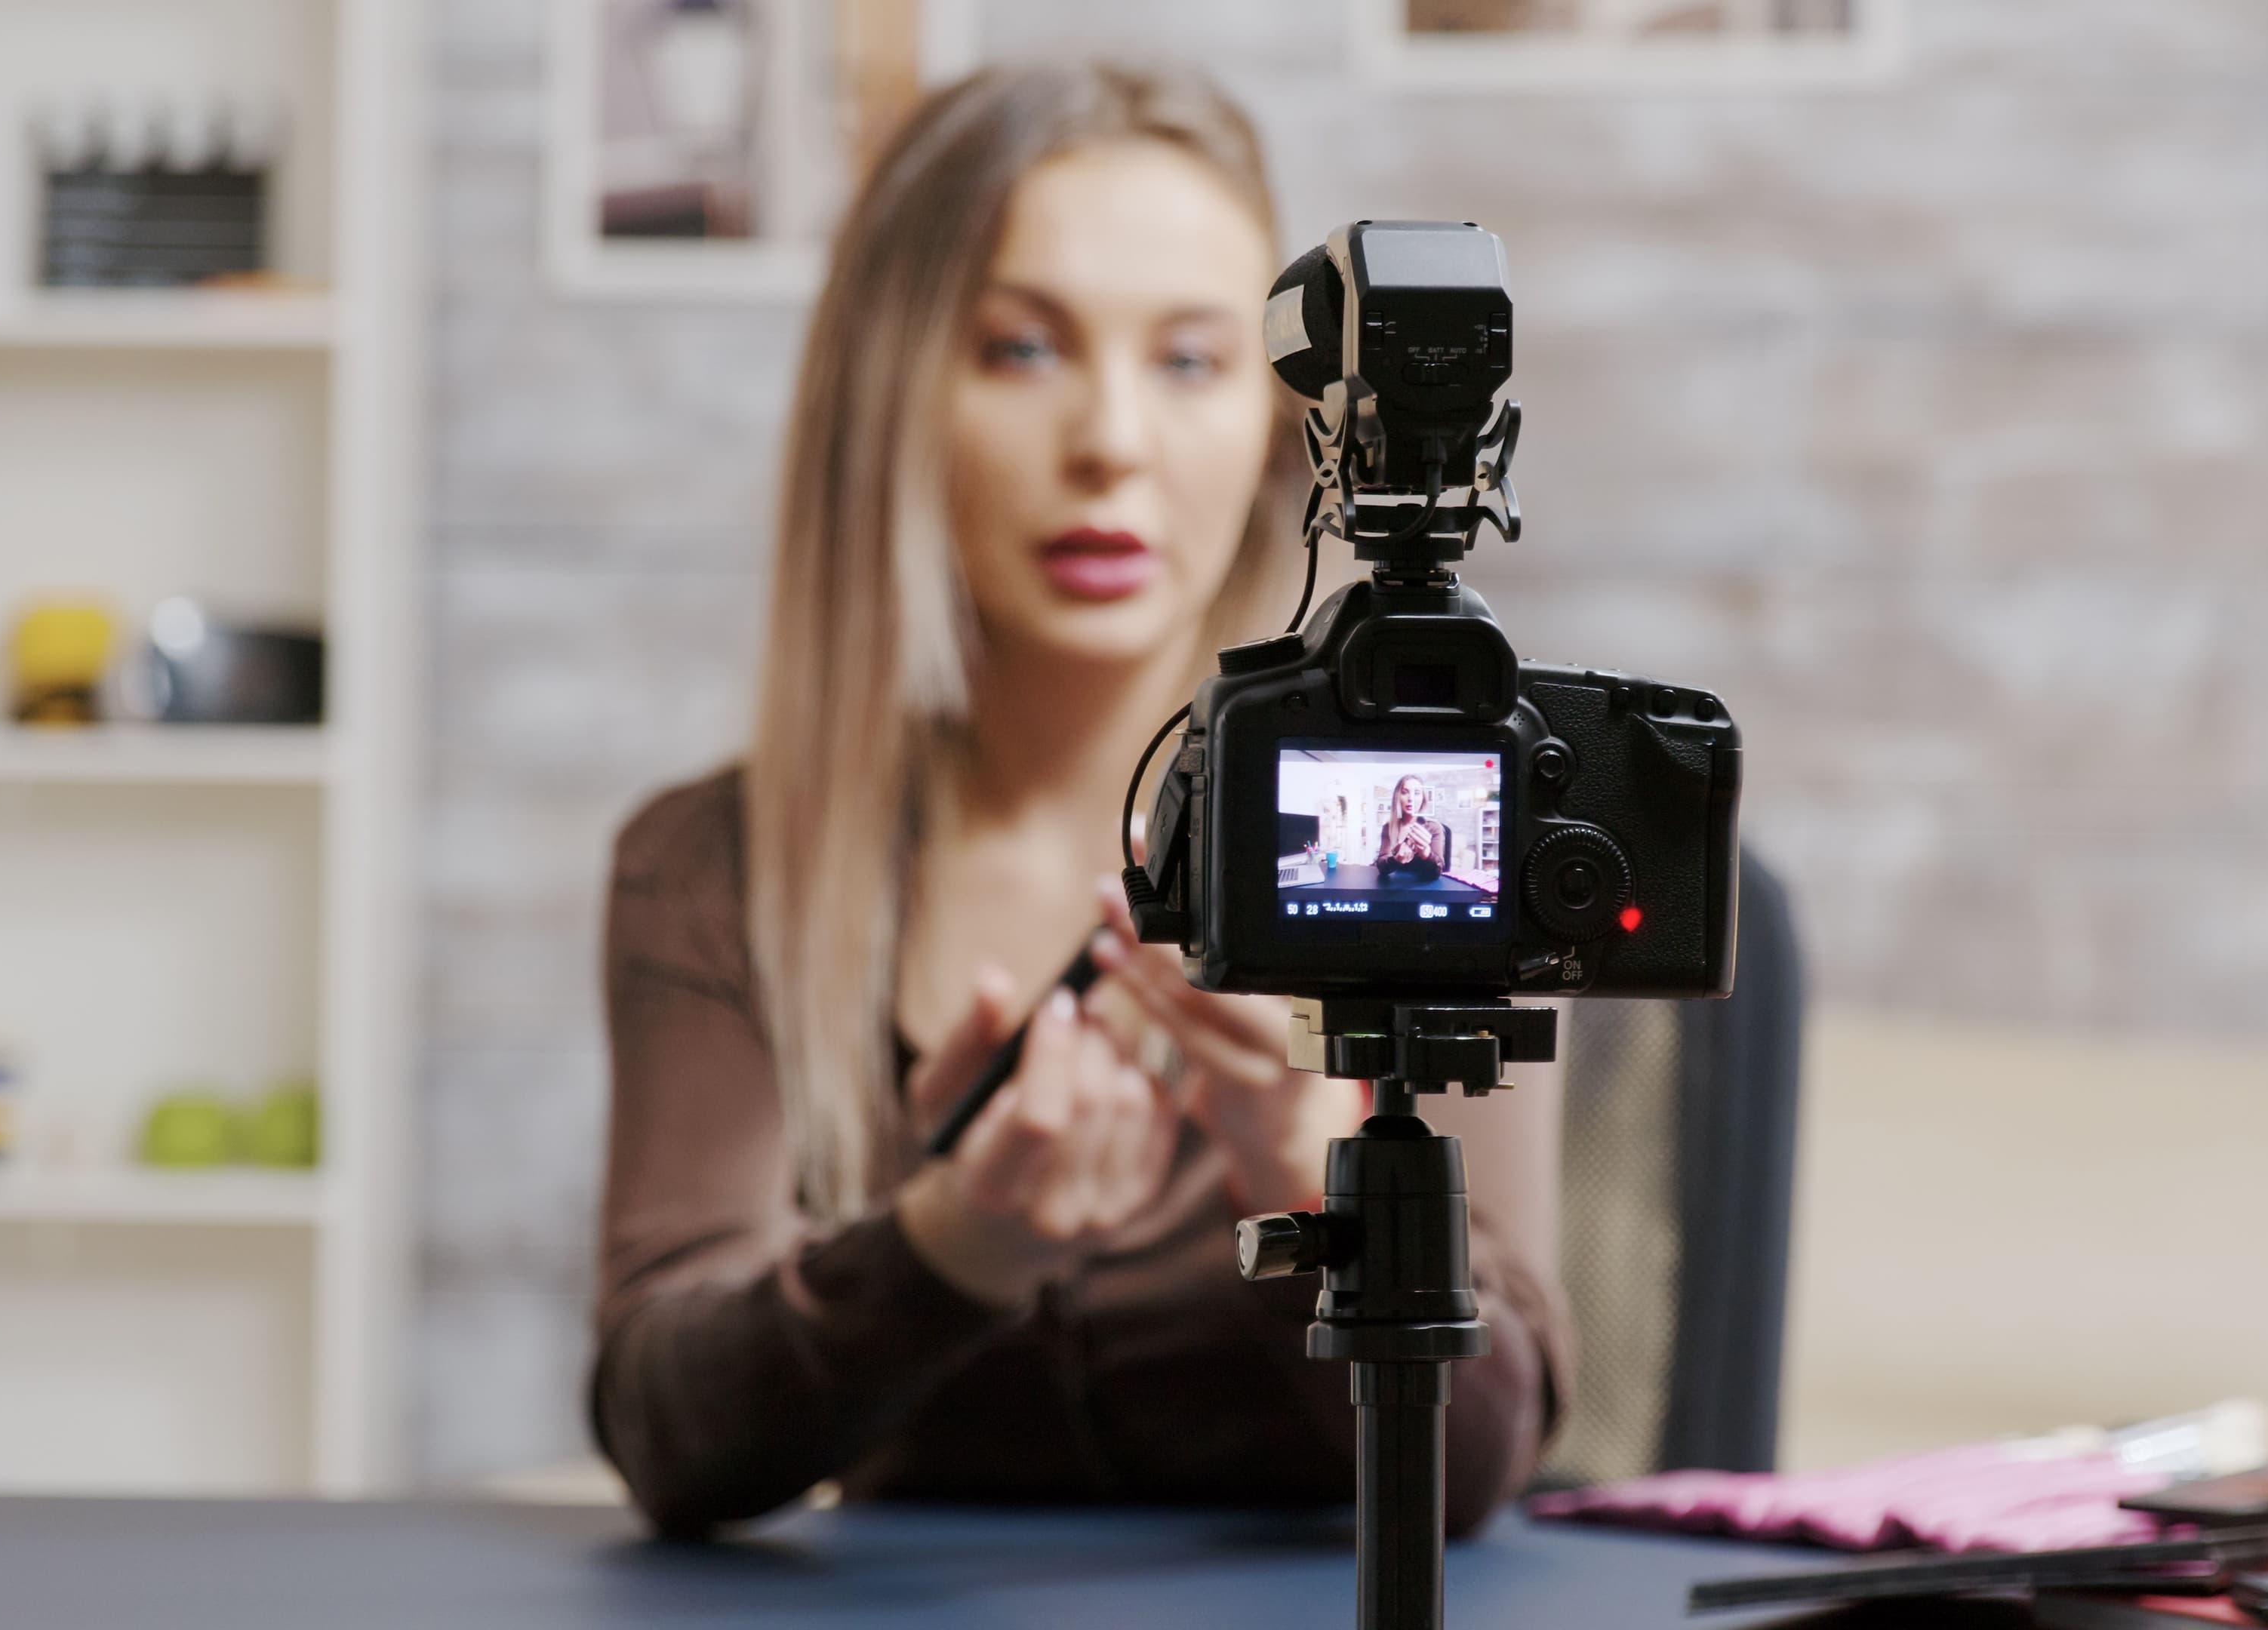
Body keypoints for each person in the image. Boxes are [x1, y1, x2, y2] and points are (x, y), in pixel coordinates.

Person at [589, 63, 1569, 1539]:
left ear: (1274, 422)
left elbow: (1479, 1462)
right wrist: (945, 1249)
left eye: (1189, 362)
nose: (1110, 440)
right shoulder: (719, 866)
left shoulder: (1428, 825)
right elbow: (669, 1425)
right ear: (898, 392)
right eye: (1022, 350)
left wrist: (1308, 1179)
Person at [1373, 775, 1451, 884]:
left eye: (1417, 793)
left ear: (1423, 798)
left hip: (1425, 890)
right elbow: (1381, 866)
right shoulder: (1388, 827)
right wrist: (1396, 860)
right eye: (1405, 792)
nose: (1411, 798)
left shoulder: (1434, 827)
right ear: (1397, 797)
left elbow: (1437, 872)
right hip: (1394, 888)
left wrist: (1426, 854)